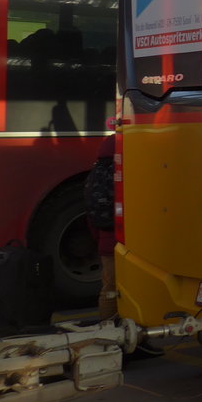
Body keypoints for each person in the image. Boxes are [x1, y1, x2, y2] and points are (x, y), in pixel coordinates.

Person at [83, 133, 117, 319]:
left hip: (106, 242)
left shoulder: (94, 175)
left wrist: (99, 240)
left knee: (109, 289)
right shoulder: (126, 171)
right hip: (129, 243)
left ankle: (107, 330)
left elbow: (91, 211)